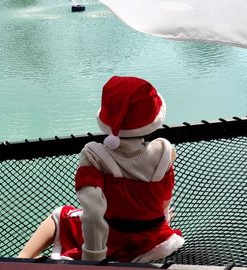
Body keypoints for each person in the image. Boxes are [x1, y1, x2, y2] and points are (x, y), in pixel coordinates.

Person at [18, 76, 184, 262]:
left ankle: (21, 259)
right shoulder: (164, 152)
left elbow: (93, 214)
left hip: (110, 242)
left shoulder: (94, 157)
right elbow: (164, 198)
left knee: (60, 215)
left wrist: (93, 260)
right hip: (153, 240)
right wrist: (162, 222)